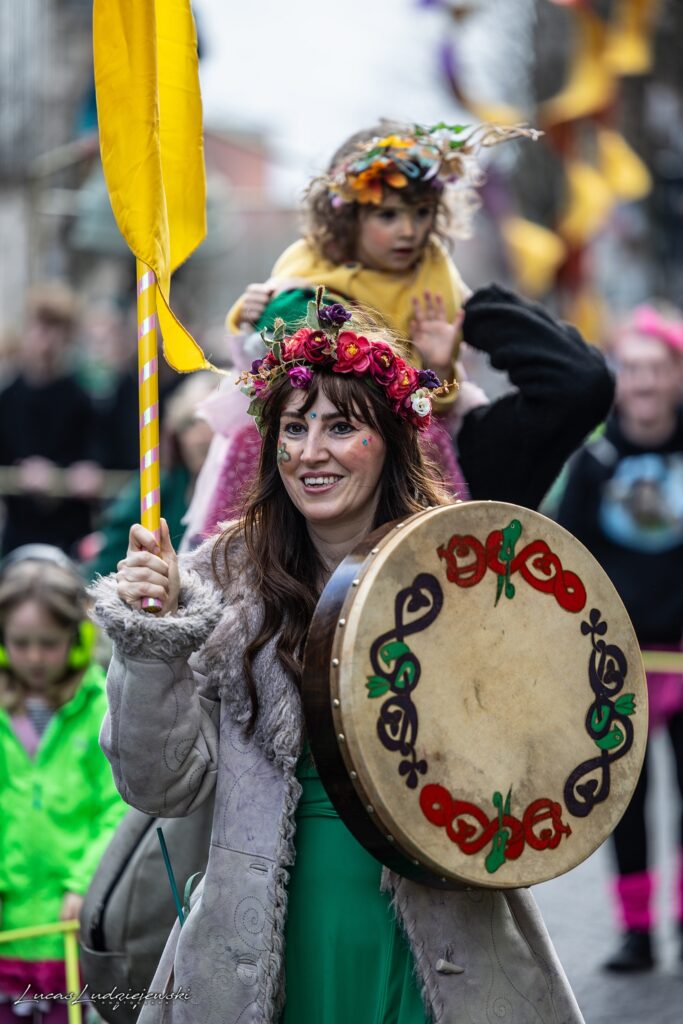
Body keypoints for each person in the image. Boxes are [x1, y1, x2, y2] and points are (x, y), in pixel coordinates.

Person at [91, 298, 586, 1023]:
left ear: (389, 441)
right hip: (269, 943)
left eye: (342, 426)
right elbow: (158, 785)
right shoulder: (219, 581)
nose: (311, 451)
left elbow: (534, 750)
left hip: (442, 937)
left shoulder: (461, 570)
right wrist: (151, 644)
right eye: (294, 427)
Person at [189, 120, 604, 541]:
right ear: (347, 217)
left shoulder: (440, 284)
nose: (409, 231)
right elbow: (327, 406)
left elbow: (580, 382)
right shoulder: (303, 290)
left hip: (433, 459)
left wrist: (462, 329)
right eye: (387, 214)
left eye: (422, 212)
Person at [556, 302, 683, 972]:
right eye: (631, 369)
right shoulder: (593, 461)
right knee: (624, 800)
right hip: (620, 664)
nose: (643, 383)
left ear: (676, 375)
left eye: (655, 369)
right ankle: (637, 932)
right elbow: (565, 560)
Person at [0, 545, 128, 1023]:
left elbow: (116, 805)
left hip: (72, 937)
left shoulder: (100, 707)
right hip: (8, 934)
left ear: (78, 638)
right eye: (21, 643)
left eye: (49, 643)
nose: (34, 657)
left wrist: (85, 881)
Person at [0, 282, 103, 556]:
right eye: (40, 327)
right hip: (21, 531)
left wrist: (82, 472)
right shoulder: (7, 398)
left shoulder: (83, 397)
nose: (47, 340)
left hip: (69, 533)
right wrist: (20, 473)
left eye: (56, 329)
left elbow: (97, 453)